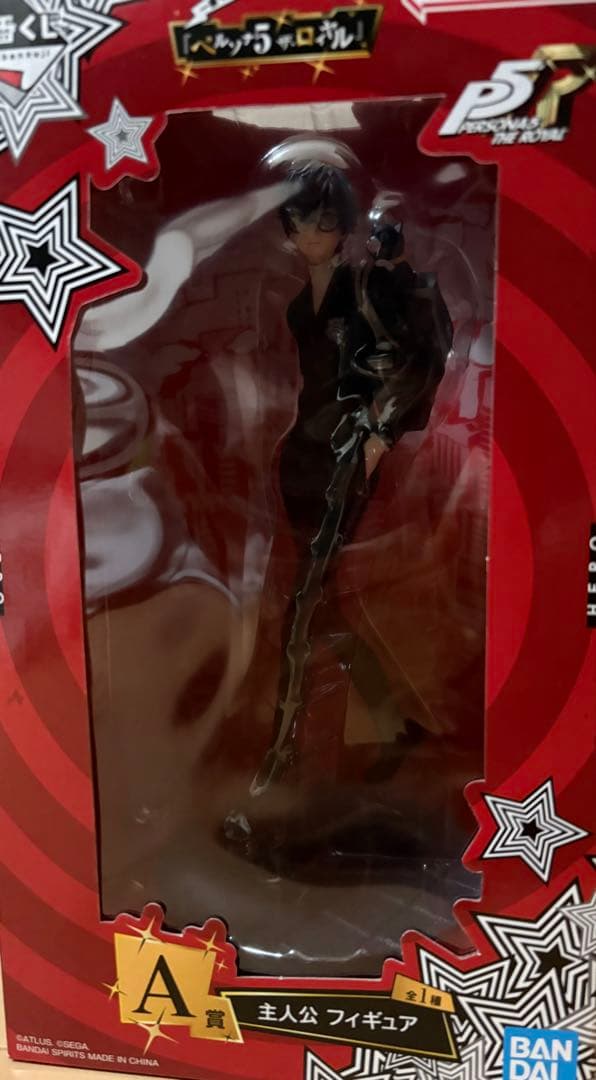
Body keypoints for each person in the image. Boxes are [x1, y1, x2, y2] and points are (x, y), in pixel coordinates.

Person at [250, 159, 453, 795]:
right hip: (301, 457)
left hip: (345, 454)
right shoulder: (298, 303)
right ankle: (394, 725)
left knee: (307, 605)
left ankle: (282, 760)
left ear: (343, 227)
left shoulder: (366, 288)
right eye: (300, 221)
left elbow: (422, 357)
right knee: (320, 603)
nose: (310, 233)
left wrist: (380, 434)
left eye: (324, 221)